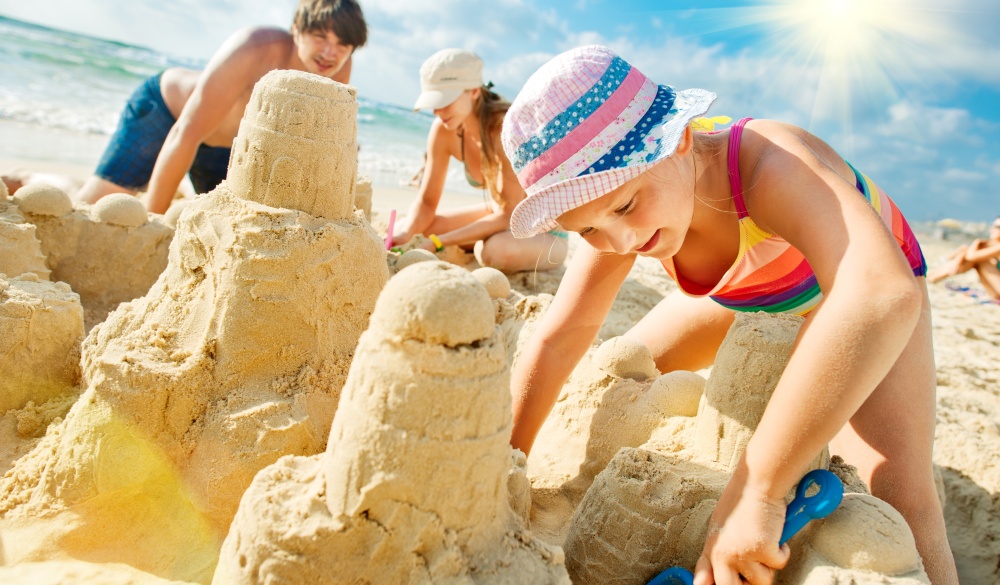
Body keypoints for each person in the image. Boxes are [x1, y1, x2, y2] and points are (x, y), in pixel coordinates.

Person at [500, 45, 958, 585]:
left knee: (897, 493)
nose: (620, 241)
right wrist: (507, 461)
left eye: (625, 206)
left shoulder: (769, 165)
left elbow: (879, 293)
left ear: (680, 139)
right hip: (761, 292)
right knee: (622, 377)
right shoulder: (621, 207)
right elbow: (564, 334)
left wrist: (758, 490)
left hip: (860, 293)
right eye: (588, 230)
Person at [74, 0, 367, 215]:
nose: (330, 53)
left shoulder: (338, 71)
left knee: (226, 218)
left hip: (228, 149)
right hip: (169, 115)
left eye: (343, 44)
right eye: (320, 37)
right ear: (296, 29)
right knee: (99, 204)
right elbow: (185, 134)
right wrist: (155, 223)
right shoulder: (256, 46)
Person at [391, 48, 568, 273]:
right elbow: (427, 202)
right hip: (496, 215)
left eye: (445, 101)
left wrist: (439, 242)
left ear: (474, 91)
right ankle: (473, 243)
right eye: (434, 102)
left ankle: (479, 246)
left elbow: (509, 215)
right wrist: (406, 235)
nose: (437, 110)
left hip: (542, 230)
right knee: (416, 230)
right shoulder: (444, 129)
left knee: (494, 251)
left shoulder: (506, 129)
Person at [927, 216, 1000, 299]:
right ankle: (931, 278)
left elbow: (972, 257)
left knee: (980, 261)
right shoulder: (994, 244)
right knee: (969, 253)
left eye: (998, 227)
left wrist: (977, 242)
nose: (992, 229)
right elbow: (967, 252)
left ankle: (931, 278)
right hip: (995, 291)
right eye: (993, 225)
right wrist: (959, 258)